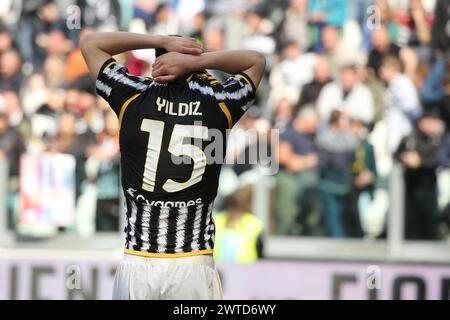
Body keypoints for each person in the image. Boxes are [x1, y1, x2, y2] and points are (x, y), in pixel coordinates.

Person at [81, 32, 265, 299]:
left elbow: (90, 43)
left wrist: (158, 40)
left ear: (158, 61)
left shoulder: (131, 95)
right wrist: (196, 61)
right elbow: (256, 61)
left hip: (139, 259)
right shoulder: (220, 102)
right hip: (193, 260)